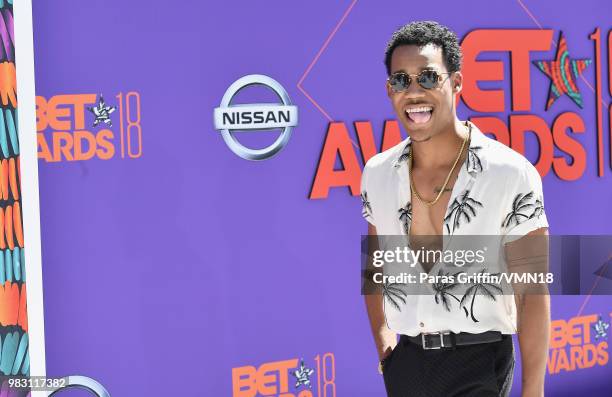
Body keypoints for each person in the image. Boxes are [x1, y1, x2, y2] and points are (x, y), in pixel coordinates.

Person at [361, 21, 550, 397]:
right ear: (389, 90)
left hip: (480, 362)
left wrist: (534, 391)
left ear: (457, 83)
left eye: (429, 77)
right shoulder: (377, 173)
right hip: (408, 365)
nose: (414, 92)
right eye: (401, 80)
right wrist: (386, 349)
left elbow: (531, 294)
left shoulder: (510, 172)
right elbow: (375, 266)